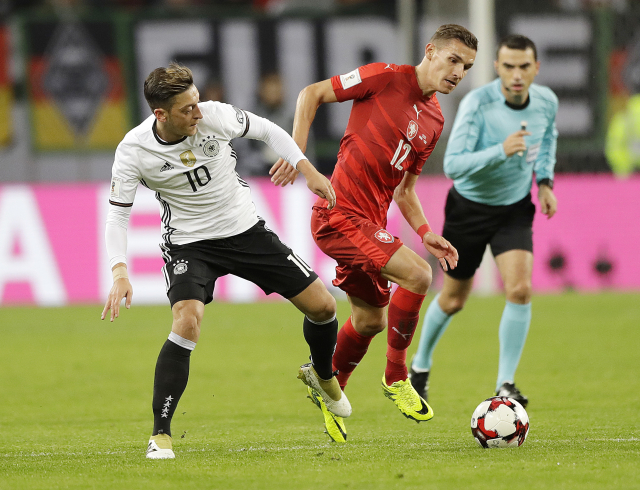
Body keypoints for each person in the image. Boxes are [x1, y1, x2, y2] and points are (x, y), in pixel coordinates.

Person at [100, 62, 351, 459]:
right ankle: (160, 434)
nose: (198, 114)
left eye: (197, 103)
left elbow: (268, 129)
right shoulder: (133, 151)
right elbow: (117, 214)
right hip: (190, 243)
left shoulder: (214, 115)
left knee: (323, 307)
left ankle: (322, 374)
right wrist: (119, 270)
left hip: (245, 231)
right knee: (186, 320)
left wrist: (307, 170)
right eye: (187, 109)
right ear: (160, 114)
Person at [270, 24, 477, 442]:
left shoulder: (435, 120)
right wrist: (297, 155)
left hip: (369, 223)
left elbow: (405, 191)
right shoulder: (385, 77)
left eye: (467, 66)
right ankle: (396, 376)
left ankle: (331, 391)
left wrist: (425, 231)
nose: (458, 72)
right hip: (338, 215)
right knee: (419, 275)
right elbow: (310, 94)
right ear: (430, 52)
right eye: (453, 60)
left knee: (369, 321)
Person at [410, 34, 559, 408]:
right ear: (497, 68)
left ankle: (505, 383)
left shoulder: (546, 103)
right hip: (469, 209)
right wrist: (500, 150)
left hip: (513, 208)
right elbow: (453, 165)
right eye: (508, 66)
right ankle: (420, 366)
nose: (516, 74)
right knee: (454, 298)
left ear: (536, 68)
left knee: (520, 290)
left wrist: (544, 182)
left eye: (524, 66)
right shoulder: (478, 103)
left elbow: (548, 139)